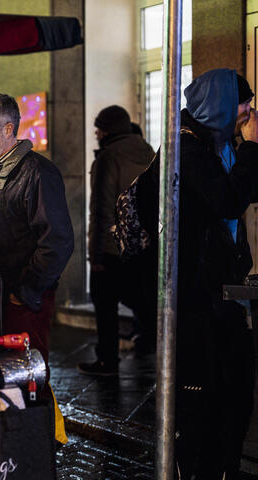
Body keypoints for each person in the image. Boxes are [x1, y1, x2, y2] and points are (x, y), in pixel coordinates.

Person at [170, 69, 258, 479]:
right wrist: (254, 148)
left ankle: (222, 466)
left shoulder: (218, 145)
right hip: (199, 301)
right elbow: (227, 201)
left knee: (236, 394)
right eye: (243, 104)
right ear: (221, 105)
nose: (249, 112)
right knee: (208, 399)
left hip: (223, 295)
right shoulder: (187, 151)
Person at [0, 92, 74, 365]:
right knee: (0, 378)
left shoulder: (37, 172)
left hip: (20, 303)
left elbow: (57, 241)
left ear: (9, 129)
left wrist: (24, 291)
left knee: (26, 375)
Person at [78, 105, 155, 376]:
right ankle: (152, 340)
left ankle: (107, 360)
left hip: (111, 246)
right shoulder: (146, 151)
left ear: (107, 130)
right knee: (142, 298)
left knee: (105, 304)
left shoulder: (108, 158)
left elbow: (101, 208)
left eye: (99, 128)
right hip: (143, 244)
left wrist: (95, 254)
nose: (96, 133)